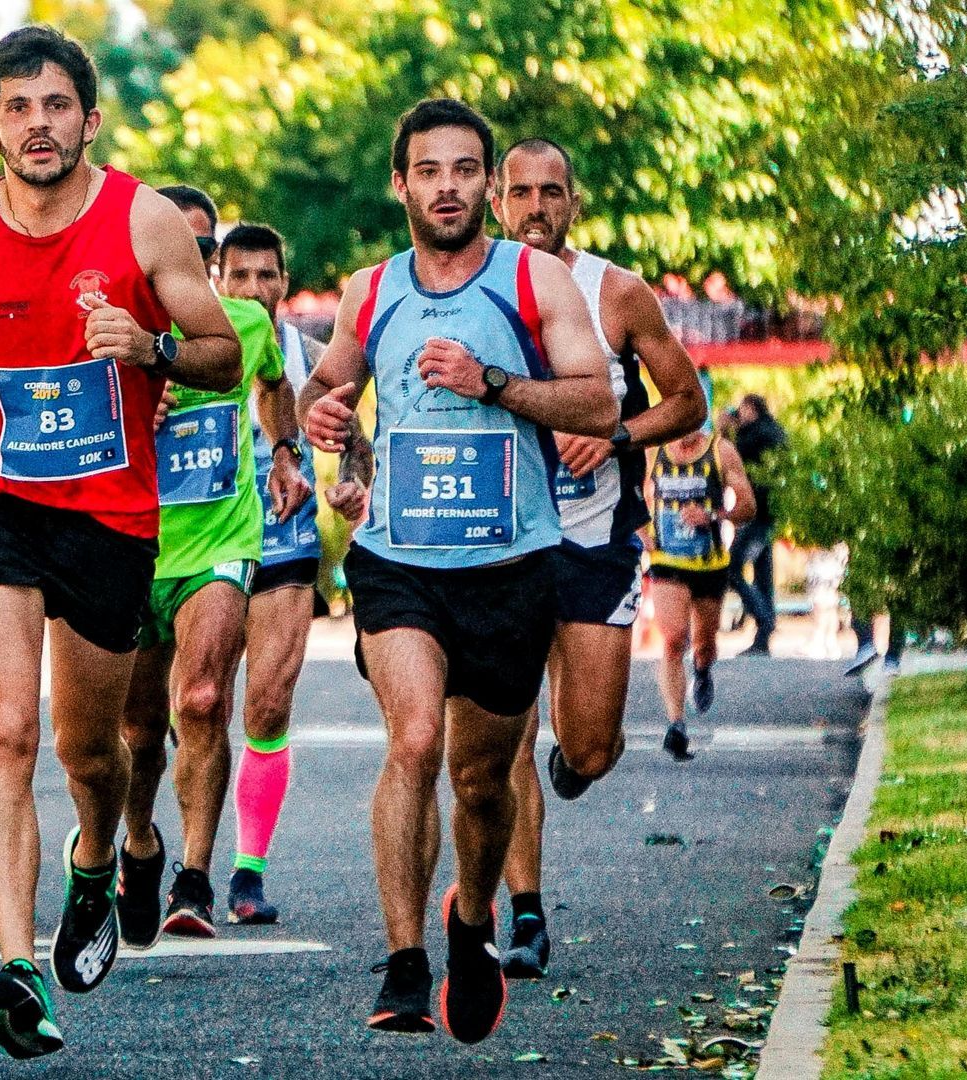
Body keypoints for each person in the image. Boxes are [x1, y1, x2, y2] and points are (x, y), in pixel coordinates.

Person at [0, 25, 240, 1060]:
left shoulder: (145, 222)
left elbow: (218, 351)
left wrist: (151, 346)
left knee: (92, 750)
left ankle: (100, 856)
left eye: (57, 105)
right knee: (1, 733)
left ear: (87, 117)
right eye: (19, 108)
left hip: (109, 514)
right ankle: (16, 965)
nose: (40, 124)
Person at [300, 98, 616, 1044]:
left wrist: (494, 384)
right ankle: (404, 965)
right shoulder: (372, 290)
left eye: (465, 170)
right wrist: (330, 427)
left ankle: (470, 923)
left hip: (512, 563)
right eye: (428, 171)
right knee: (413, 742)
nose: (448, 187)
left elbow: (598, 402)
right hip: (400, 561)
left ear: (487, 182)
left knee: (483, 782)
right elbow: (331, 389)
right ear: (400, 184)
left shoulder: (534, 284)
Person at [488, 138, 707, 979]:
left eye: (551, 192)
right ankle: (527, 915)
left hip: (594, 540)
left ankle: (575, 767)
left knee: (590, 746)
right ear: (497, 201)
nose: (535, 207)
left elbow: (687, 397)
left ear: (573, 201)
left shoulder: (617, 293)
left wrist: (614, 434)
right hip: (499, 541)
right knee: (508, 731)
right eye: (520, 192)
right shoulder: (468, 288)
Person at [116, 189, 307, 945]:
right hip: (132, 545)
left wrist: (286, 449)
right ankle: (138, 845)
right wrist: (133, 402)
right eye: (180, 251)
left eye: (203, 253)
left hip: (221, 542)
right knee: (134, 728)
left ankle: (194, 877)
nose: (191, 266)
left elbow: (272, 382)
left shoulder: (247, 324)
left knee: (200, 699)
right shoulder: (116, 331)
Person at [215, 222, 354, 925]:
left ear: (284, 283)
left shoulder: (316, 360)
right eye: (239, 276)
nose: (253, 289)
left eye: (266, 275)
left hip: (286, 546)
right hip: (202, 552)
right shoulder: (194, 353)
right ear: (217, 280)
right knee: (194, 707)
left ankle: (248, 870)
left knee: (267, 703)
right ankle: (169, 858)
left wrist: (350, 486)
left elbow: (362, 443)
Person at [645, 421, 757, 760]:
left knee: (704, 643)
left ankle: (703, 669)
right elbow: (631, 496)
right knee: (673, 638)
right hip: (667, 560)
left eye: (691, 424)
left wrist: (713, 514)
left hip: (709, 564)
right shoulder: (653, 451)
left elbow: (748, 506)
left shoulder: (721, 451)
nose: (684, 434)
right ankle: (675, 724)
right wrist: (642, 535)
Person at [727, 394, 785, 654]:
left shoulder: (754, 435)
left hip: (756, 513)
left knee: (732, 568)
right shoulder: (775, 431)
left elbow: (735, 458)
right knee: (763, 573)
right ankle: (764, 634)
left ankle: (765, 621)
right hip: (771, 511)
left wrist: (730, 430)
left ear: (750, 409)